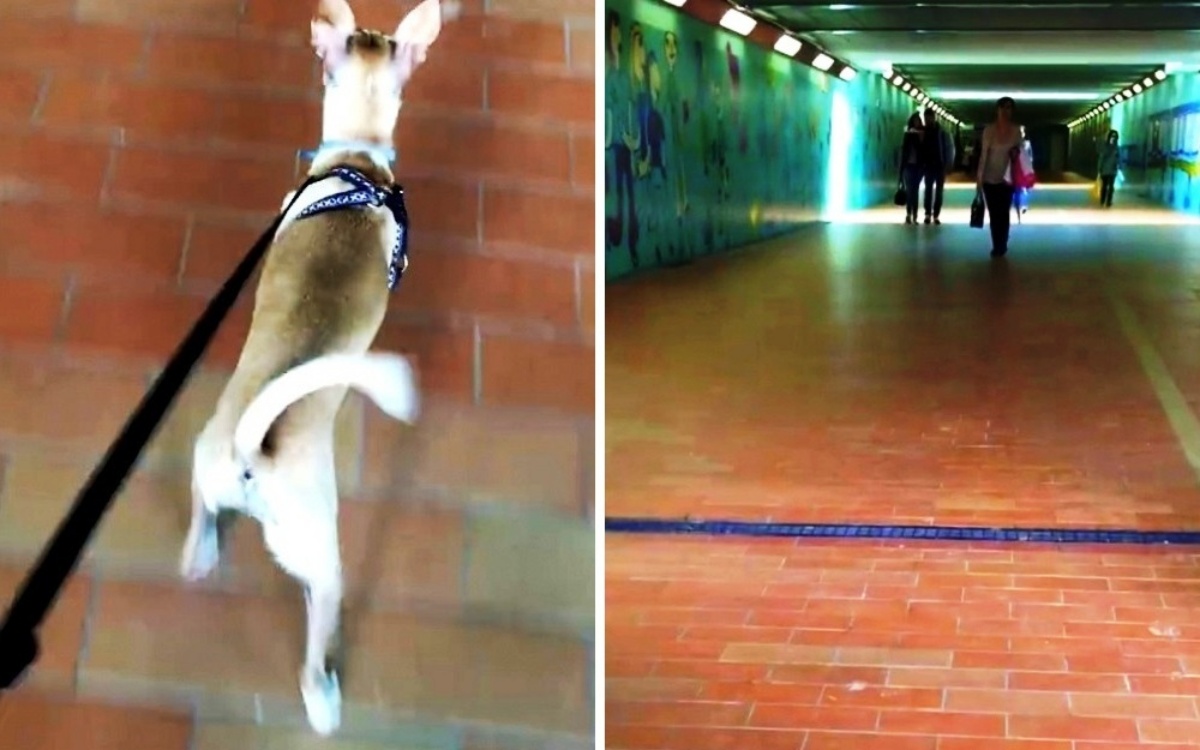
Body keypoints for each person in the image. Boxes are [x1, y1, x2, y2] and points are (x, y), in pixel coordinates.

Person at [975, 96, 1023, 257]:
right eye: (1002, 107)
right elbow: (983, 156)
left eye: (1009, 108)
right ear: (997, 110)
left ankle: (1002, 242)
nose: (1005, 111)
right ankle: (997, 244)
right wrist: (979, 180)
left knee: (1004, 212)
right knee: (995, 213)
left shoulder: (1016, 132)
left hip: (1007, 179)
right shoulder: (989, 131)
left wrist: (1016, 153)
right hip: (990, 178)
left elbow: (1020, 154)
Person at [920, 108, 955, 224]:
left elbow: (949, 148)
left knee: (939, 191)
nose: (927, 120)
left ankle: (936, 214)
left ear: (933, 117)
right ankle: (927, 214)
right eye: (925, 118)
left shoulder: (942, 132)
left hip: (940, 165)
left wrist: (948, 163)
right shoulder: (923, 131)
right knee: (928, 190)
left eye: (928, 117)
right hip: (928, 165)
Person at [898, 112, 924, 224]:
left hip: (918, 166)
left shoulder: (922, 134)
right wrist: (901, 170)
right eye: (915, 120)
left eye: (918, 120)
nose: (917, 122)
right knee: (910, 191)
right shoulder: (908, 134)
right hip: (908, 166)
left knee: (915, 191)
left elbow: (924, 150)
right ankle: (909, 214)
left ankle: (914, 215)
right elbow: (904, 152)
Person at [1012, 125, 1034, 221]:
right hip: (1016, 170)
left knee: (1024, 189)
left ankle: (1024, 205)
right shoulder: (1012, 144)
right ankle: (1018, 213)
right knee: (1016, 191)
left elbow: (1030, 157)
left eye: (1022, 132)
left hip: (1024, 170)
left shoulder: (1027, 144)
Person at [1098, 130, 1120, 207]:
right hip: (1105, 170)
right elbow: (1102, 158)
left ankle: (1108, 201)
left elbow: (1118, 158)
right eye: (1112, 136)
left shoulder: (1116, 147)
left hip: (1112, 170)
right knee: (1105, 185)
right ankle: (1103, 200)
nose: (1113, 138)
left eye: (1115, 137)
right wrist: (1100, 168)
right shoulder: (1106, 147)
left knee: (1110, 186)